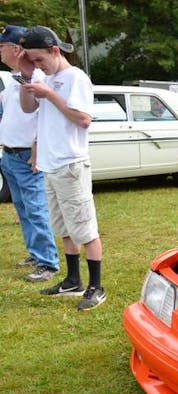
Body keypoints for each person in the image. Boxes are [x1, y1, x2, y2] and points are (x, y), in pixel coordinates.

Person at [16, 25, 107, 310]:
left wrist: (50, 94)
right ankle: (72, 281)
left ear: (55, 50)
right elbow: (28, 108)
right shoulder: (42, 76)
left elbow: (83, 120)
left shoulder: (76, 78)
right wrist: (26, 77)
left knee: (85, 229)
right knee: (64, 228)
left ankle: (96, 287)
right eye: (32, 61)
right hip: (50, 164)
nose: (37, 65)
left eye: (39, 59)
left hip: (71, 163)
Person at [0, 25, 60, 282]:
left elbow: (42, 115)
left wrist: (36, 148)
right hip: (10, 154)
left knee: (35, 209)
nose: (0, 51)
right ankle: (36, 254)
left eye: (2, 46)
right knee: (24, 209)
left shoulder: (38, 77)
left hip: (26, 154)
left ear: (17, 49)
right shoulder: (16, 78)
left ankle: (48, 262)